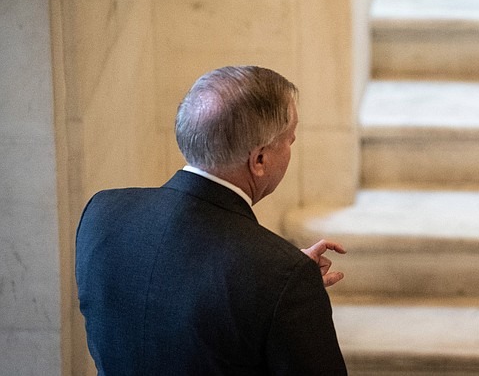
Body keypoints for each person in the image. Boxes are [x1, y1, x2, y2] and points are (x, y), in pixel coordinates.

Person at [76, 66, 348, 375]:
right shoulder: (280, 274)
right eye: (290, 140)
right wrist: (282, 279)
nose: (291, 149)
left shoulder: (102, 213)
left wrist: (276, 284)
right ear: (259, 160)